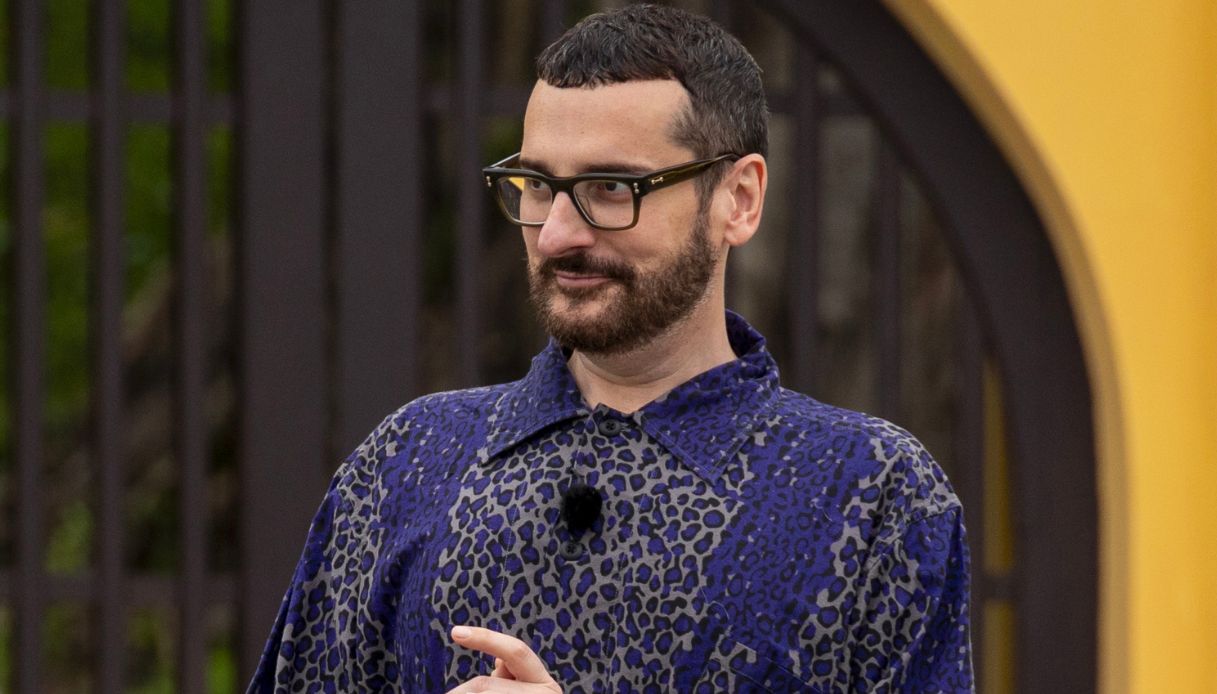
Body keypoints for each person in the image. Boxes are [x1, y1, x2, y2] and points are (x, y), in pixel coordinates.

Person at [249, 4, 972, 692]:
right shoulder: (406, 464)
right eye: (538, 185)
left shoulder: (872, 494)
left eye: (611, 186)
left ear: (739, 199)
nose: (558, 234)